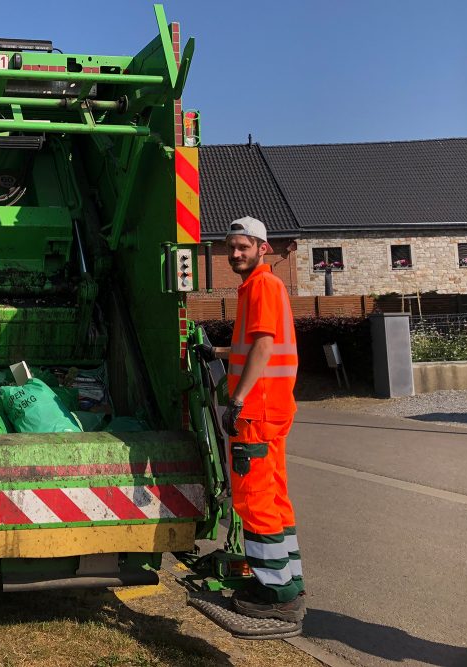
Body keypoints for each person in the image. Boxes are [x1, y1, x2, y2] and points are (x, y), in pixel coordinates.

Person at [207, 216, 305, 624]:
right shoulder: (264, 287)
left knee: (254, 498)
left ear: (263, 248)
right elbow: (254, 346)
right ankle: (288, 582)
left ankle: (275, 595)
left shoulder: (262, 286)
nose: (235, 254)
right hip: (275, 408)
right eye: (231, 247)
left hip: (257, 411)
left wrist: (238, 398)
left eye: (243, 247)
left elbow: (263, 345)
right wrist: (219, 354)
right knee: (276, 498)